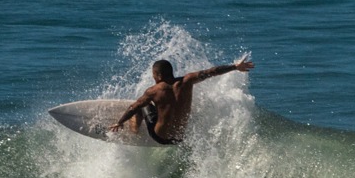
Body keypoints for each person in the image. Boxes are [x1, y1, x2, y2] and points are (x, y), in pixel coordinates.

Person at [109, 56, 255, 145]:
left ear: (158, 75)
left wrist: (119, 121)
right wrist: (235, 67)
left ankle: (133, 132)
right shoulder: (188, 81)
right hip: (179, 139)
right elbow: (212, 72)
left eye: (153, 74)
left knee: (141, 106)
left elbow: (132, 108)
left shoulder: (153, 91)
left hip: (160, 137)